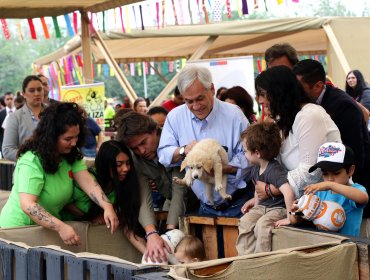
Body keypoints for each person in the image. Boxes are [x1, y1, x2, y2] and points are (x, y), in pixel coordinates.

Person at [0, 102, 119, 245]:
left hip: (46, 231)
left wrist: (107, 206)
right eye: (68, 139)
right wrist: (60, 227)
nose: (74, 143)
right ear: (51, 137)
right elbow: (28, 205)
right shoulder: (31, 160)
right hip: (18, 231)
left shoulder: (70, 155)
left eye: (77, 137)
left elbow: (87, 181)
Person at [158, 65, 252, 217]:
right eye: (189, 101)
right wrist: (184, 151)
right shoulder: (175, 117)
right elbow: (163, 154)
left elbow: (250, 156)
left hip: (239, 203)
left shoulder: (234, 115)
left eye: (200, 98)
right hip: (204, 207)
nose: (196, 106)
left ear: (212, 89)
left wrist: (222, 168)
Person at [253, 66, 341, 200]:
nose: (260, 100)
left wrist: (270, 189)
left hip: (327, 203)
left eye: (263, 94)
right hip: (299, 200)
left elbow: (311, 172)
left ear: (279, 93)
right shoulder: (284, 119)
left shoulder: (310, 115)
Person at [292, 59, 370, 211]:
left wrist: (339, 185)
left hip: (352, 188)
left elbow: (356, 152)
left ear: (318, 86)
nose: (295, 94)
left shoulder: (342, 105)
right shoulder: (309, 106)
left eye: (299, 88)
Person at [115, 111, 186, 262]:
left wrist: (169, 233)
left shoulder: (174, 143)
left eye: (143, 143)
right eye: (135, 148)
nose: (141, 151)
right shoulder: (136, 159)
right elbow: (144, 195)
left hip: (195, 204)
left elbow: (179, 191)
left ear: (155, 131)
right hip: (171, 204)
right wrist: (151, 233)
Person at [236, 122, 294, 255]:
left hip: (277, 209)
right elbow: (257, 190)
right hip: (263, 208)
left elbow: (288, 192)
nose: (244, 154)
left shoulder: (274, 170)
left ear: (257, 153)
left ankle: (261, 259)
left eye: (245, 151)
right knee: (245, 221)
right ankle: (245, 258)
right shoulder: (255, 169)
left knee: (262, 225)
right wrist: (256, 208)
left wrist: (290, 217)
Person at [290, 142, 368, 237]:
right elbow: (294, 220)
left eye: (336, 173)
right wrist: (295, 213)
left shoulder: (355, 189)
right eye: (325, 174)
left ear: (351, 170)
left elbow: (363, 198)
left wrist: (330, 185)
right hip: (324, 244)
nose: (330, 178)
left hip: (348, 246)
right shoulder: (320, 193)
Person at [2, 75, 44, 161]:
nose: (36, 93)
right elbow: (7, 150)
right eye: (31, 91)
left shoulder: (53, 113)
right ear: (24, 94)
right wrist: (32, 159)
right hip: (27, 169)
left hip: (54, 168)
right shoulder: (15, 117)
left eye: (39, 89)